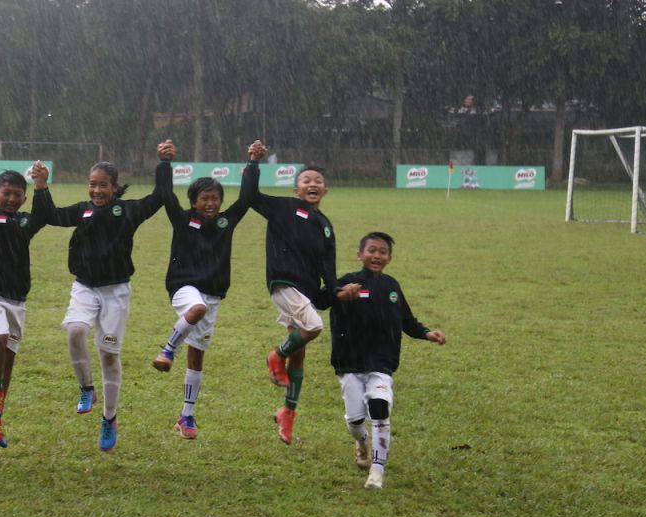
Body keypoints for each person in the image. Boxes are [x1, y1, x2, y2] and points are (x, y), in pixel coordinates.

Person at [43, 146, 173, 452]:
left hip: (115, 291)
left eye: (103, 185)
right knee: (75, 331)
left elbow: (160, 196)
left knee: (109, 356)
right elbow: (50, 215)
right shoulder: (82, 210)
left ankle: (109, 417)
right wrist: (41, 187)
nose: (96, 190)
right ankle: (87, 388)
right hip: (84, 287)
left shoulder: (127, 211)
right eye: (92, 184)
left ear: (115, 187)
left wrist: (164, 162)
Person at [245, 140, 358, 445]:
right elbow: (250, 197)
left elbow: (329, 276)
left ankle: (287, 413)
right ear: (296, 190)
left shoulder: (324, 226)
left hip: (304, 293)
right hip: (283, 283)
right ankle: (274, 356)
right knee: (314, 326)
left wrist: (340, 292)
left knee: (300, 353)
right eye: (306, 180)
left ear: (325, 191)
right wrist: (254, 163)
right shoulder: (284, 207)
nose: (313, 184)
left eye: (318, 181)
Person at [150, 140, 254, 440]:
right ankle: (167, 349)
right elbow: (165, 195)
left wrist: (253, 165)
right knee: (197, 309)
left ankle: (186, 416)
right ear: (194, 201)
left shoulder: (226, 222)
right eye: (204, 199)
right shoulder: (182, 219)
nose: (210, 203)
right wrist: (165, 164)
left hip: (214, 294)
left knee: (196, 358)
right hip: (182, 285)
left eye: (215, 199)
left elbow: (246, 200)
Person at [329, 231, 446, 489]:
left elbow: (406, 320)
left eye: (382, 252)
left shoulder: (392, 287)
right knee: (355, 421)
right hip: (349, 362)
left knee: (380, 407)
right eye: (371, 250)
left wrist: (427, 333)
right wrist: (340, 294)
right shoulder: (347, 282)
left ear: (389, 258)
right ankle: (361, 443)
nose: (377, 256)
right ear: (360, 254)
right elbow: (324, 298)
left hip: (381, 363)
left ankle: (377, 469)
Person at [0, 160, 51, 448]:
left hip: (17, 296)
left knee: (10, 355)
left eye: (18, 194)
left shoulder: (25, 221)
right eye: (6, 193)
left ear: (24, 198)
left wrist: (42, 185)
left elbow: (43, 216)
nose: (12, 198)